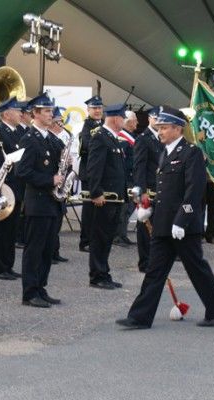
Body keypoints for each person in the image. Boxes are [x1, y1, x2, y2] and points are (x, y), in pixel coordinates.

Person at [116, 106, 214, 329]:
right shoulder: (165, 153)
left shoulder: (191, 153)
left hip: (183, 226)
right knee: (154, 271)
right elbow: (166, 191)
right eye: (159, 128)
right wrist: (150, 209)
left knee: (196, 269)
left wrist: (182, 220)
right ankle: (139, 317)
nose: (160, 132)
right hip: (163, 224)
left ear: (178, 129)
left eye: (164, 128)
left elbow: (194, 191)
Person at [16, 94, 63, 308]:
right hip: (38, 202)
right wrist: (50, 180)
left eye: (51, 111)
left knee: (47, 249)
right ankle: (29, 292)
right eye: (46, 111)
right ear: (34, 113)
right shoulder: (29, 139)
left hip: (52, 203)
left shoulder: (51, 138)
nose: (51, 114)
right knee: (34, 250)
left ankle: (41, 287)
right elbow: (22, 171)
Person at [87, 103, 127, 290]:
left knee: (107, 237)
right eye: (123, 118)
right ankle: (97, 275)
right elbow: (94, 168)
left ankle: (104, 272)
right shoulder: (100, 137)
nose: (124, 121)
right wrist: (96, 192)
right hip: (104, 198)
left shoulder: (112, 138)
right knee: (100, 237)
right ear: (115, 119)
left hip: (114, 198)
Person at [0, 97, 25, 280]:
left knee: (11, 230)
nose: (21, 114)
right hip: (6, 188)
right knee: (2, 230)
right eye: (17, 111)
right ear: (7, 114)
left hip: (16, 189)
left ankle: (7, 265)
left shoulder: (17, 132)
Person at [132, 106, 163, 272]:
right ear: (149, 118)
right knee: (145, 228)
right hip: (148, 191)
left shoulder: (162, 138)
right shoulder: (143, 139)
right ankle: (145, 262)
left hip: (161, 190)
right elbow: (139, 167)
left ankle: (156, 259)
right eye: (155, 118)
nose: (158, 122)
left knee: (159, 226)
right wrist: (141, 192)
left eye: (161, 119)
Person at [78, 95, 104, 252]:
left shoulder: (103, 124)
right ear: (88, 110)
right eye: (94, 108)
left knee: (99, 211)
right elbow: (86, 147)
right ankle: (85, 241)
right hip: (89, 173)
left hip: (101, 174)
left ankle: (95, 240)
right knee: (89, 210)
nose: (97, 111)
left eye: (99, 108)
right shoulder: (87, 126)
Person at [48, 105, 70, 265]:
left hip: (60, 184)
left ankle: (55, 251)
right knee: (51, 226)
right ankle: (51, 252)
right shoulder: (49, 138)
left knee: (57, 222)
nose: (62, 124)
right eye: (59, 121)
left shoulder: (58, 139)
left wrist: (68, 162)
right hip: (51, 186)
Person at [113, 109, 137, 247]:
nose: (137, 123)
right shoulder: (122, 137)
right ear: (129, 122)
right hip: (126, 178)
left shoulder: (131, 136)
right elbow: (122, 159)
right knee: (124, 208)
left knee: (129, 208)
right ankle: (118, 236)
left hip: (132, 178)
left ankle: (123, 234)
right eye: (135, 120)